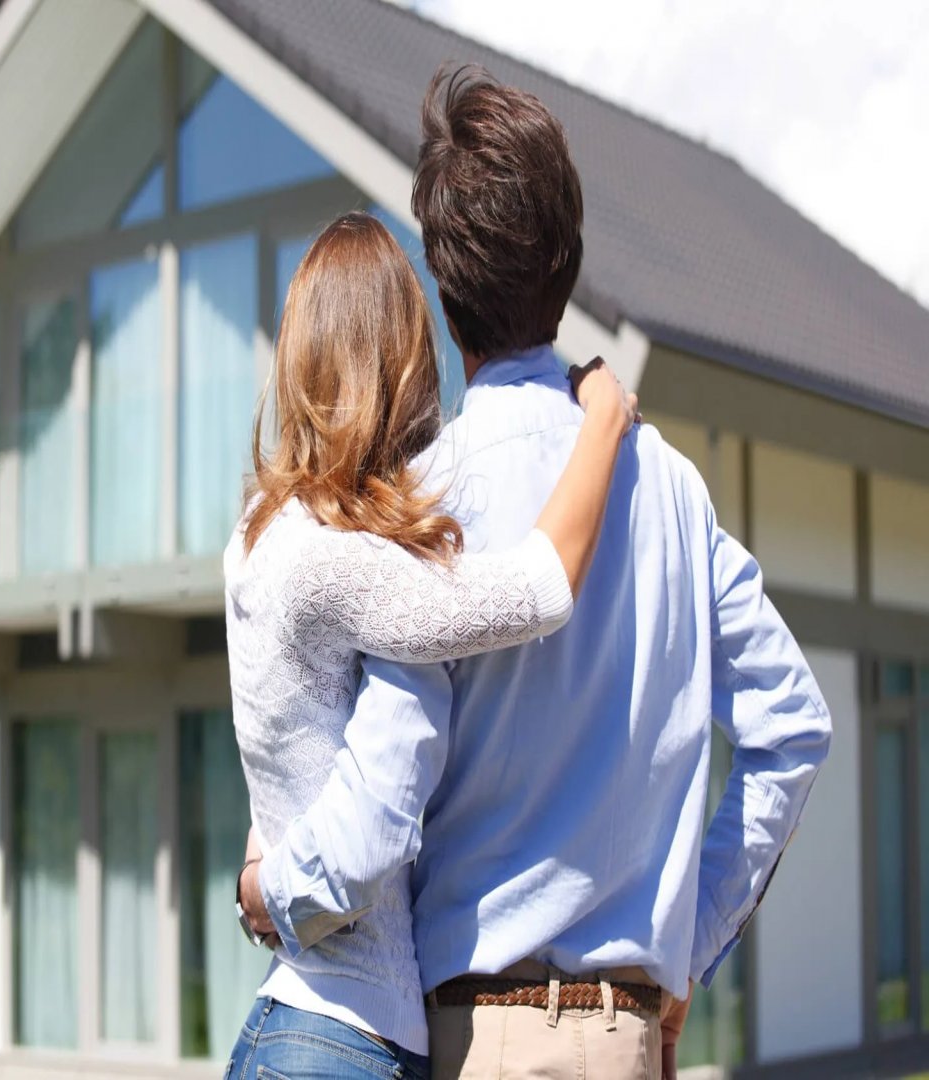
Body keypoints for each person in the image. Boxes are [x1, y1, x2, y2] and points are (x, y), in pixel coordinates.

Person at [240, 67, 832, 1080]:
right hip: (632, 1036)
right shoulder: (676, 492)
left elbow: (386, 786)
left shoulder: (420, 506)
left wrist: (272, 893)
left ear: (443, 277)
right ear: (570, 259)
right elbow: (794, 726)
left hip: (480, 1038)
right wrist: (683, 949)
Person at [224, 210, 638, 1079]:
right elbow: (541, 584)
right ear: (405, 364)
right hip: (334, 1035)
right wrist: (601, 413)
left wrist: (260, 881)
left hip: (306, 1025)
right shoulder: (343, 565)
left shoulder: (264, 538)